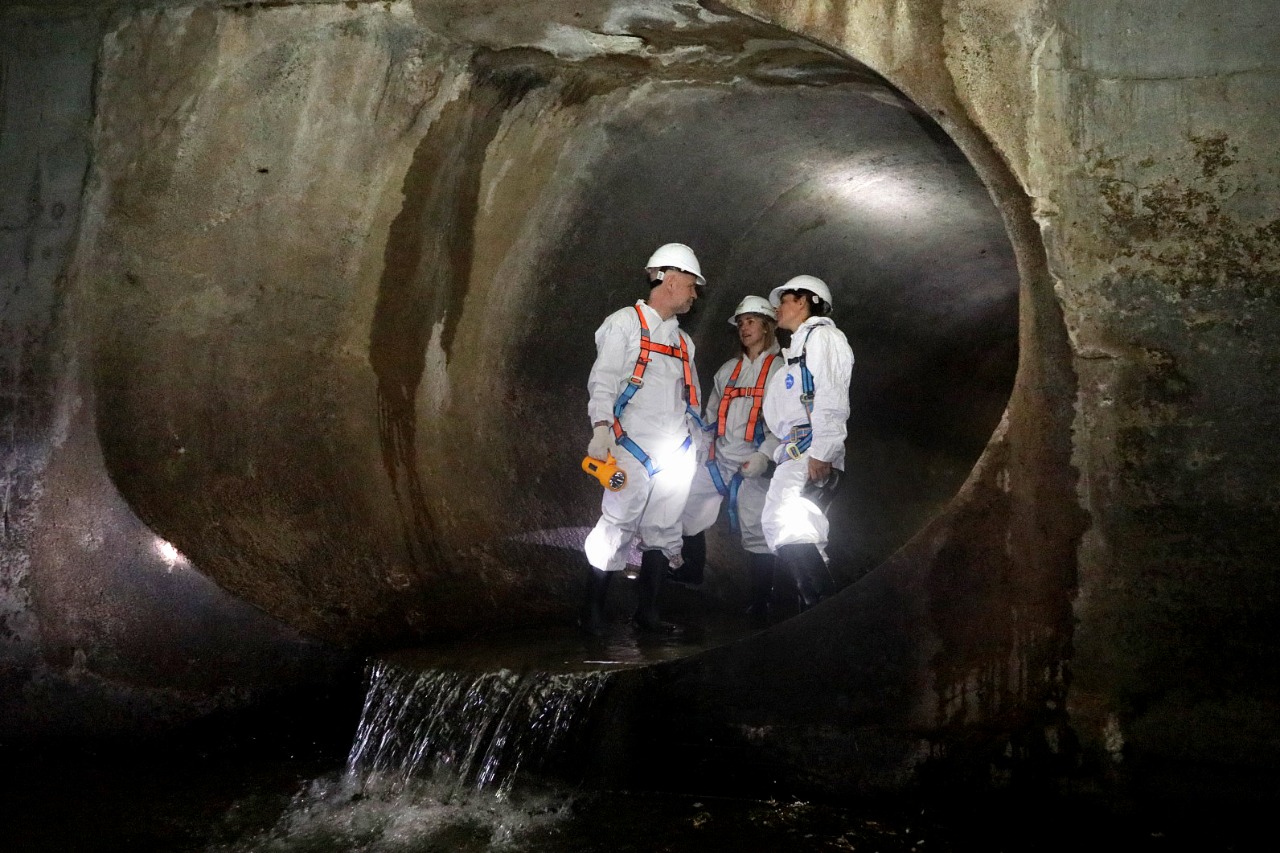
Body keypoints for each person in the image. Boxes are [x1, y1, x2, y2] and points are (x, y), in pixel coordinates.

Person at [580, 243, 707, 634]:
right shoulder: (625, 323)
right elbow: (603, 380)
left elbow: (692, 397)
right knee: (617, 524)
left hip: (674, 451)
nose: (694, 294)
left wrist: (697, 440)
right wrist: (601, 428)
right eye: (691, 284)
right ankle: (591, 611)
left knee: (665, 531)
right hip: (631, 449)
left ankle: (648, 614)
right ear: (670, 280)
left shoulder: (683, 343)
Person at [675, 295, 783, 626]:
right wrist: (700, 450)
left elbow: (788, 425)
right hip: (719, 460)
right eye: (740, 323)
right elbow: (709, 417)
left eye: (751, 321)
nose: (744, 328)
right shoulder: (728, 371)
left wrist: (764, 456)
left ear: (767, 326)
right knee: (685, 506)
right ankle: (691, 571)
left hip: (753, 465)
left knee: (756, 530)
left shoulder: (781, 372)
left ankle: (761, 602)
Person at [760, 275, 854, 612]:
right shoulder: (794, 353)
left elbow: (831, 394)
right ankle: (796, 617)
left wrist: (822, 452)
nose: (778, 307)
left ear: (803, 301)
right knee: (795, 529)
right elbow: (776, 415)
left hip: (810, 449)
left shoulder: (823, 336)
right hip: (794, 450)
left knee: (785, 523)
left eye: (784, 299)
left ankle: (823, 614)